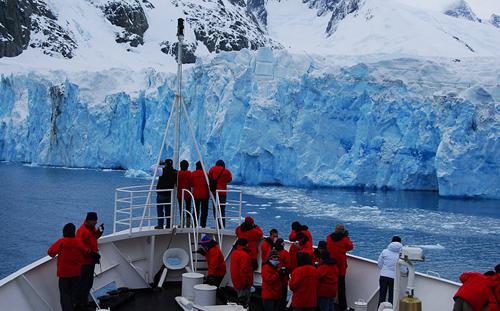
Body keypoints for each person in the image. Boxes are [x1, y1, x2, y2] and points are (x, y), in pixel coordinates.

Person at [48, 223, 89, 311]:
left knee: (65, 295)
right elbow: (86, 252)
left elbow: (51, 252)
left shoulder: (62, 242)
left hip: (64, 274)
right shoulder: (78, 242)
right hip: (76, 273)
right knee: (74, 295)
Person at [76, 212, 103, 307]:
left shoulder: (92, 229)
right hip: (84, 262)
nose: (95, 223)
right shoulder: (81, 231)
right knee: (83, 283)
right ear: (89, 220)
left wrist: (99, 232)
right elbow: (80, 245)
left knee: (89, 283)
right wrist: (90, 252)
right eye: (94, 221)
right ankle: (79, 303)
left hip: (91, 261)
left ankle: (84, 301)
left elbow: (93, 238)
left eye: (96, 221)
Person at [326, 224, 353, 311]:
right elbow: (350, 246)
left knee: (329, 285)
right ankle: (343, 307)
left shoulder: (329, 237)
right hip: (340, 268)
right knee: (341, 288)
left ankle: (329, 304)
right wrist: (347, 237)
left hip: (330, 266)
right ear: (342, 231)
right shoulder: (345, 240)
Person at [377, 236, 405, 306]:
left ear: (391, 242)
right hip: (394, 278)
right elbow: (403, 269)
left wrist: (384, 270)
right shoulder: (402, 255)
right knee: (391, 298)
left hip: (383, 276)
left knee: (381, 297)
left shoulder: (385, 251)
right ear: (400, 243)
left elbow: (379, 263)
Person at [151, 159, 177, 229]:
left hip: (161, 194)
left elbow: (152, 168)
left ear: (165, 164)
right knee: (168, 210)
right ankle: (168, 225)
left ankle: (160, 225)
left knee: (160, 210)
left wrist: (159, 164)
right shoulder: (175, 172)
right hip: (169, 194)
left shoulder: (162, 170)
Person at [208, 160, 232, 227]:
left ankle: (217, 225)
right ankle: (222, 225)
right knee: (222, 209)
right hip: (223, 193)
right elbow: (229, 179)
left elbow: (209, 177)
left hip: (215, 192)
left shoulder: (212, 169)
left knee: (215, 209)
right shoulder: (227, 171)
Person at [230, 238, 253, 308]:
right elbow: (244, 270)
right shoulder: (244, 255)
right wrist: (245, 282)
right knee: (244, 302)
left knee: (240, 299)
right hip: (243, 283)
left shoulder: (234, 253)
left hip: (236, 281)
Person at [191, 161, 209, 227]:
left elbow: (191, 183)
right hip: (205, 195)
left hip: (196, 195)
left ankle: (194, 224)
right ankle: (203, 225)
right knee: (204, 211)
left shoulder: (193, 174)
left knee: (196, 210)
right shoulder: (206, 174)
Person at [275, 238, 291, 310]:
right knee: (283, 297)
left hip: (274, 278)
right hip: (283, 279)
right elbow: (288, 266)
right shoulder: (285, 253)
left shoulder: (273, 253)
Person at [177, 160, 192, 226]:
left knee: (181, 208)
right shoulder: (189, 173)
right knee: (188, 208)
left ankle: (182, 223)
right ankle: (188, 223)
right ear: (187, 166)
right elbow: (191, 183)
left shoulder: (178, 173)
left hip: (180, 193)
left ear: (180, 166)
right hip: (188, 193)